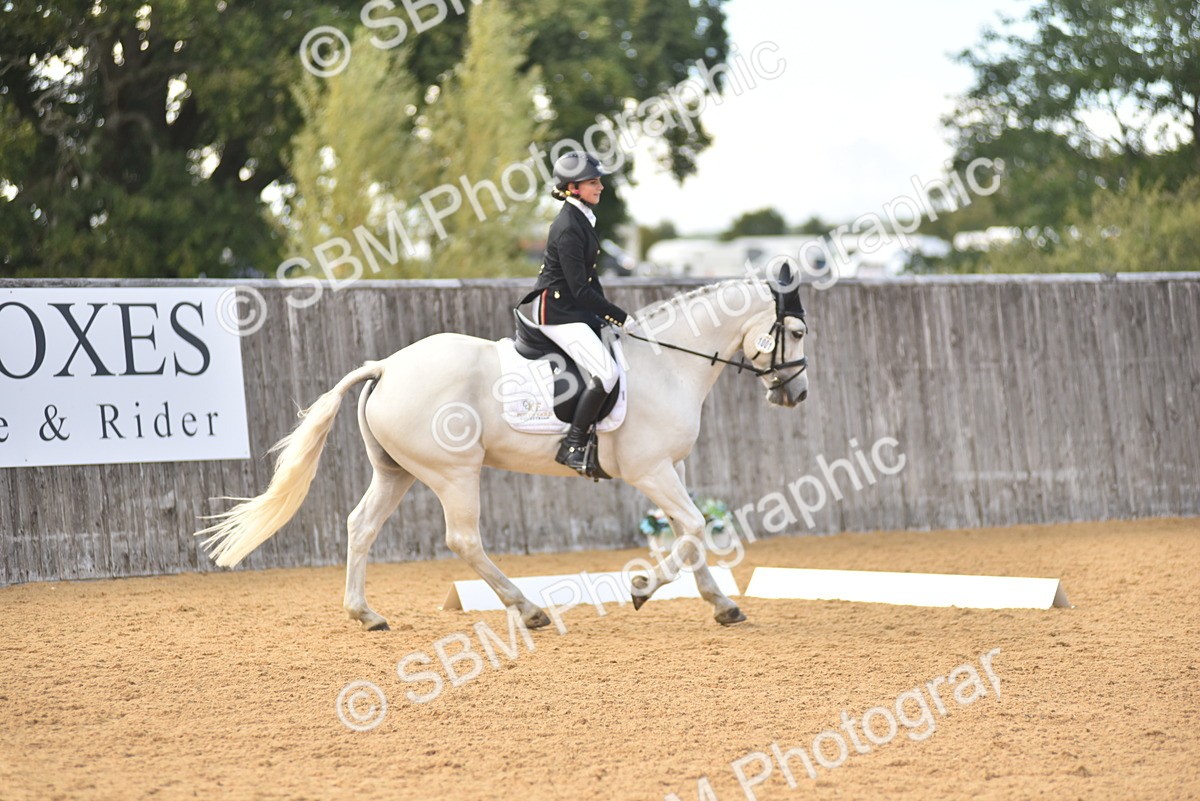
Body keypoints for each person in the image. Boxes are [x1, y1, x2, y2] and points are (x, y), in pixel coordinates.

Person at [517, 151, 637, 475]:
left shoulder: (583, 217)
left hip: (572, 308)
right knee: (607, 373)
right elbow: (580, 289)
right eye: (593, 182)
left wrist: (607, 316)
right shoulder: (569, 226)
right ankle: (573, 443)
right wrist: (619, 317)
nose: (601, 187)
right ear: (573, 187)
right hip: (557, 312)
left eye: (599, 181)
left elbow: (590, 280)